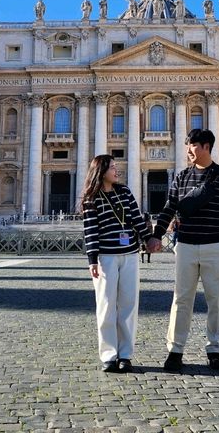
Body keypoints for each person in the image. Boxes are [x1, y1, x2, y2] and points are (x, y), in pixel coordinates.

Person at [149, 129, 219, 372]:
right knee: (181, 299)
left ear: (205, 146)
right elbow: (169, 208)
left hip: (216, 247)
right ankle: (175, 350)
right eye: (187, 146)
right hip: (187, 246)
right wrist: (156, 234)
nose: (188, 150)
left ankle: (215, 349)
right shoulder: (181, 177)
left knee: (216, 300)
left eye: (191, 145)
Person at [81, 155, 155, 373]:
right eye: (113, 167)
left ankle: (125, 355)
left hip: (130, 254)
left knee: (128, 306)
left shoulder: (125, 193)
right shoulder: (91, 198)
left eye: (116, 166)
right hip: (106, 257)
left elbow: (136, 219)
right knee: (105, 307)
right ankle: (108, 355)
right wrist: (92, 259)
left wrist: (148, 239)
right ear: (101, 170)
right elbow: (90, 230)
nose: (117, 170)